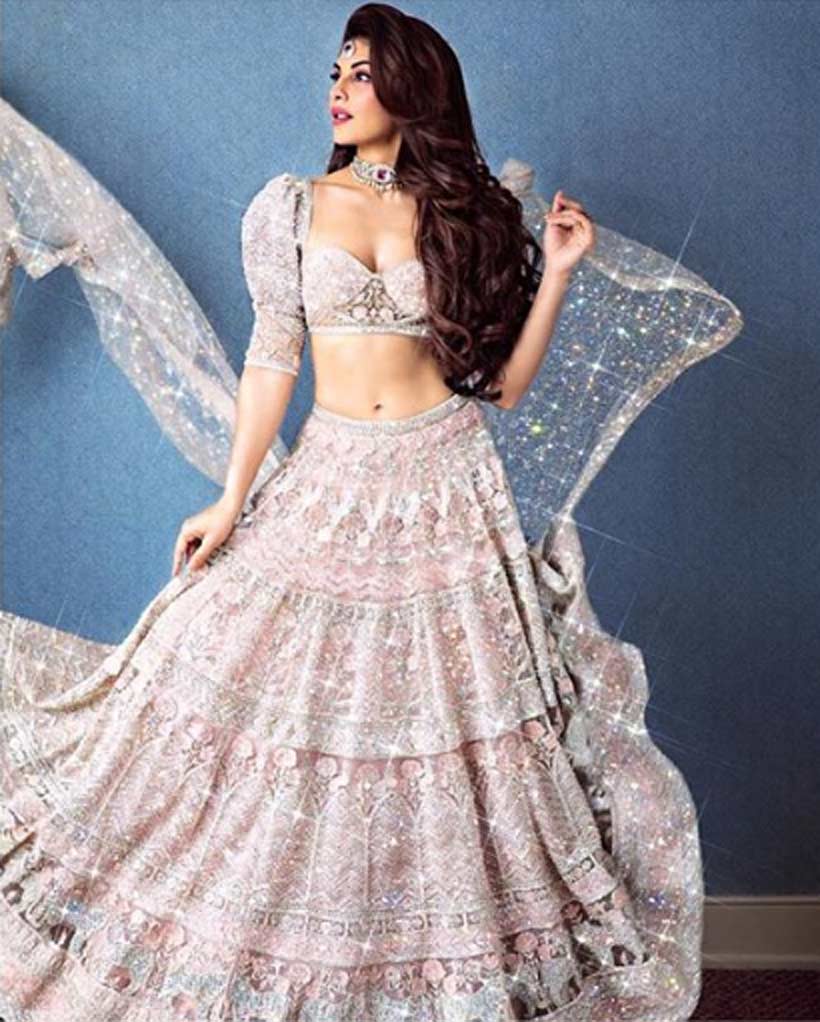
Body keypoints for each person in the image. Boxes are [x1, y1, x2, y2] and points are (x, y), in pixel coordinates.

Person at [0, 4, 745, 1020]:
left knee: (442, 732)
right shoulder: (290, 208)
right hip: (332, 477)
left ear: (412, 87)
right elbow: (273, 359)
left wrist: (558, 274)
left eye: (362, 72)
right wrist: (232, 497)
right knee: (279, 714)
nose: (340, 89)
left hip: (447, 480)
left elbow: (501, 386)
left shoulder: (463, 214)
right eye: (336, 71)